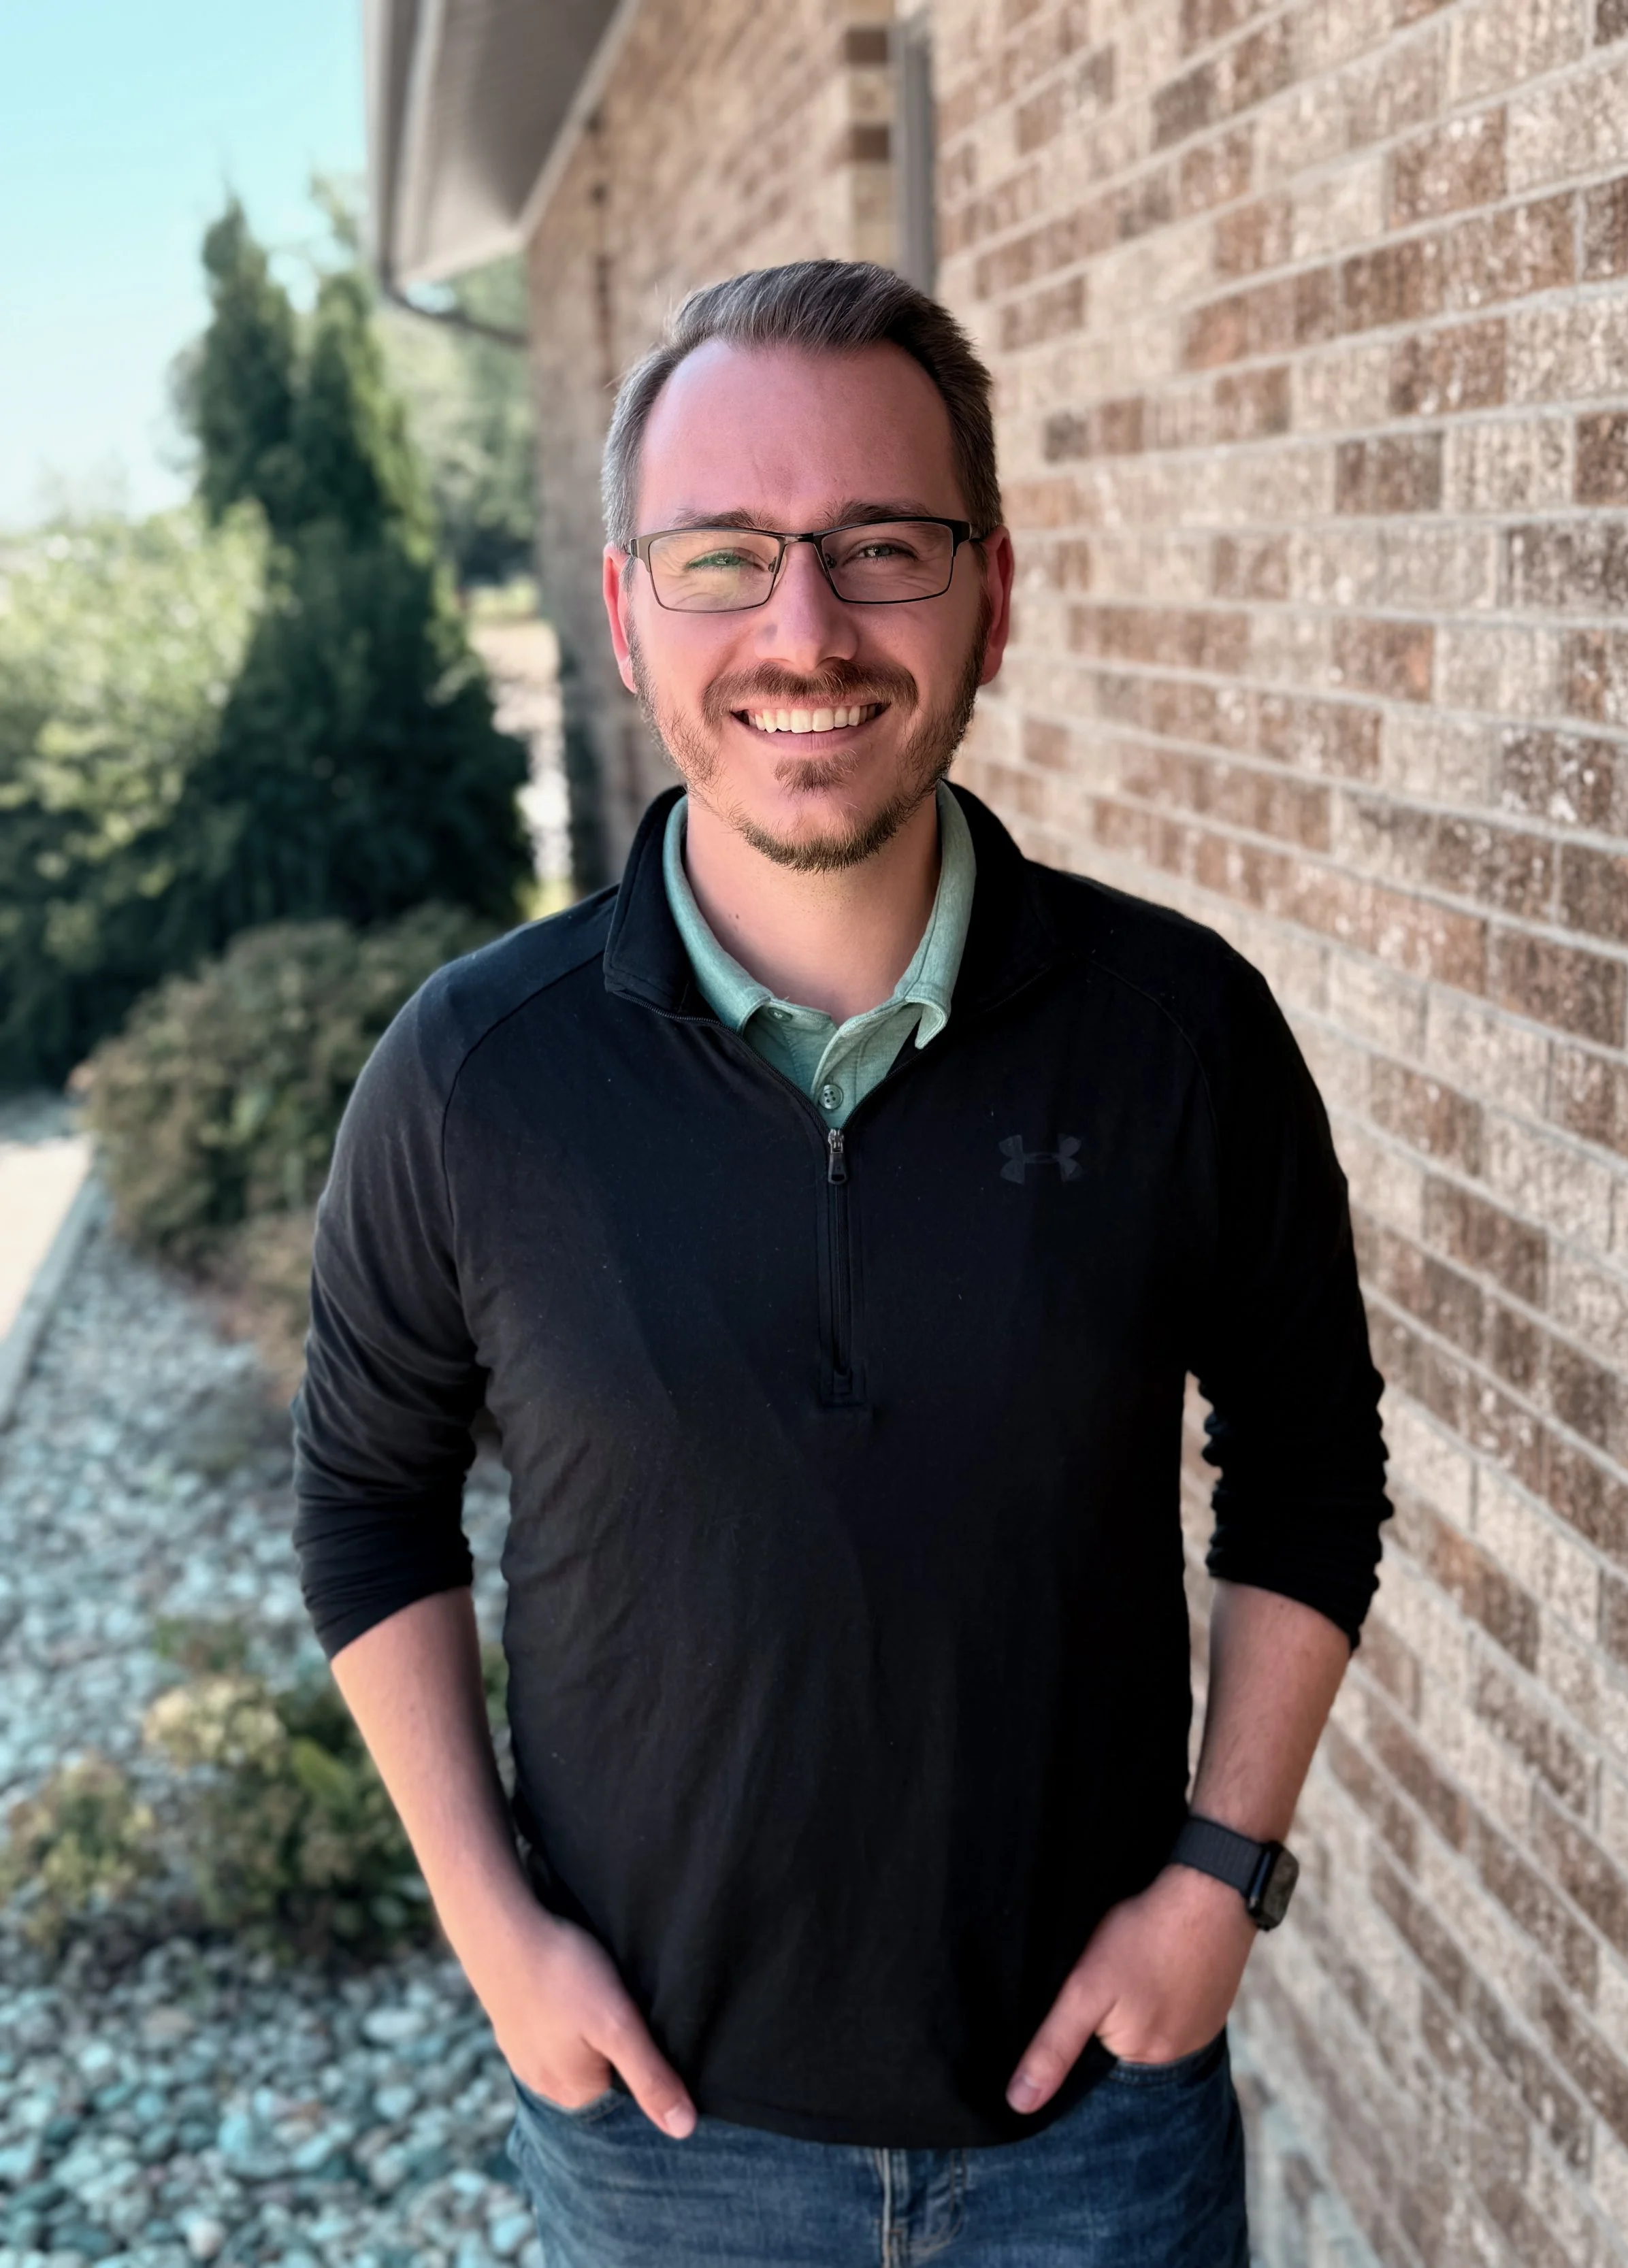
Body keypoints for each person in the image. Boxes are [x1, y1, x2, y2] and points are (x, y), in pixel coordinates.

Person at [293, 259, 1390, 2267]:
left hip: (1094, 2137)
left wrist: (1219, 1874)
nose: (803, 630)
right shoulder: (471, 1078)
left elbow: (1311, 1466)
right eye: (723, 556)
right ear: (627, 610)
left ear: (993, 592)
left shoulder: (1182, 1036)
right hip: (662, 2146)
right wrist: (492, 1927)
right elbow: (370, 1505)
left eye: (880, 545)